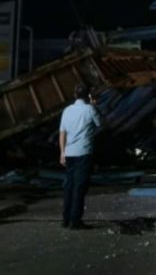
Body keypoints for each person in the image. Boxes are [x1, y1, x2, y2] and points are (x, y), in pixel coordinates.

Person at [59, 83, 101, 229]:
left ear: (75, 95)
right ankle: (75, 221)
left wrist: (62, 153)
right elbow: (101, 124)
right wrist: (95, 106)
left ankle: (65, 220)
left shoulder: (67, 110)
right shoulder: (90, 109)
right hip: (84, 152)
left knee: (69, 186)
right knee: (79, 188)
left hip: (69, 153)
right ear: (88, 95)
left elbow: (62, 133)